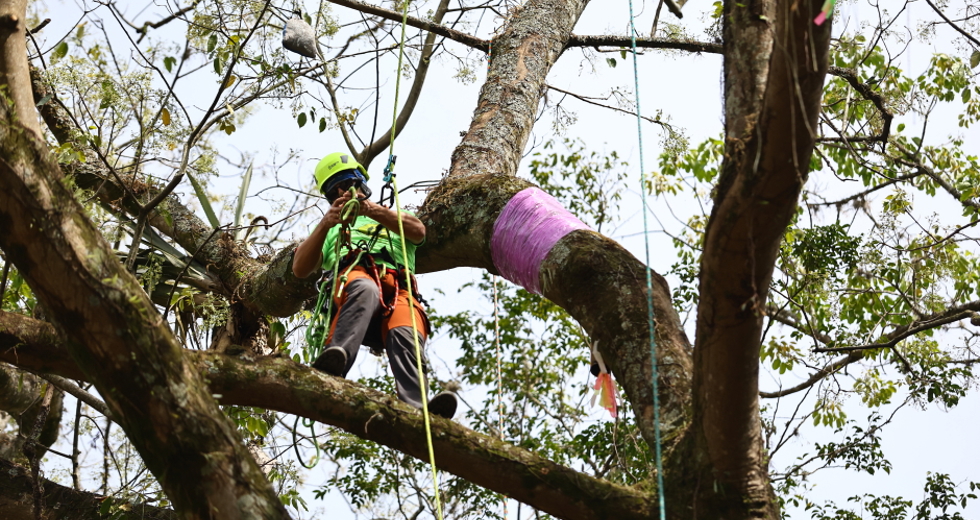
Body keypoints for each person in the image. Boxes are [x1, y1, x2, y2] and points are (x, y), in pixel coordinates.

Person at [292, 152, 457, 419]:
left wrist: (372, 210)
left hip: (399, 290)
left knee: (406, 327)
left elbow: (418, 231)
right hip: (355, 283)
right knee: (365, 288)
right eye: (335, 192)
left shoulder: (394, 218)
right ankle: (334, 361)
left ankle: (418, 409)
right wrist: (326, 223)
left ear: (362, 184)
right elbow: (299, 268)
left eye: (348, 184)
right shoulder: (332, 229)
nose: (343, 193)